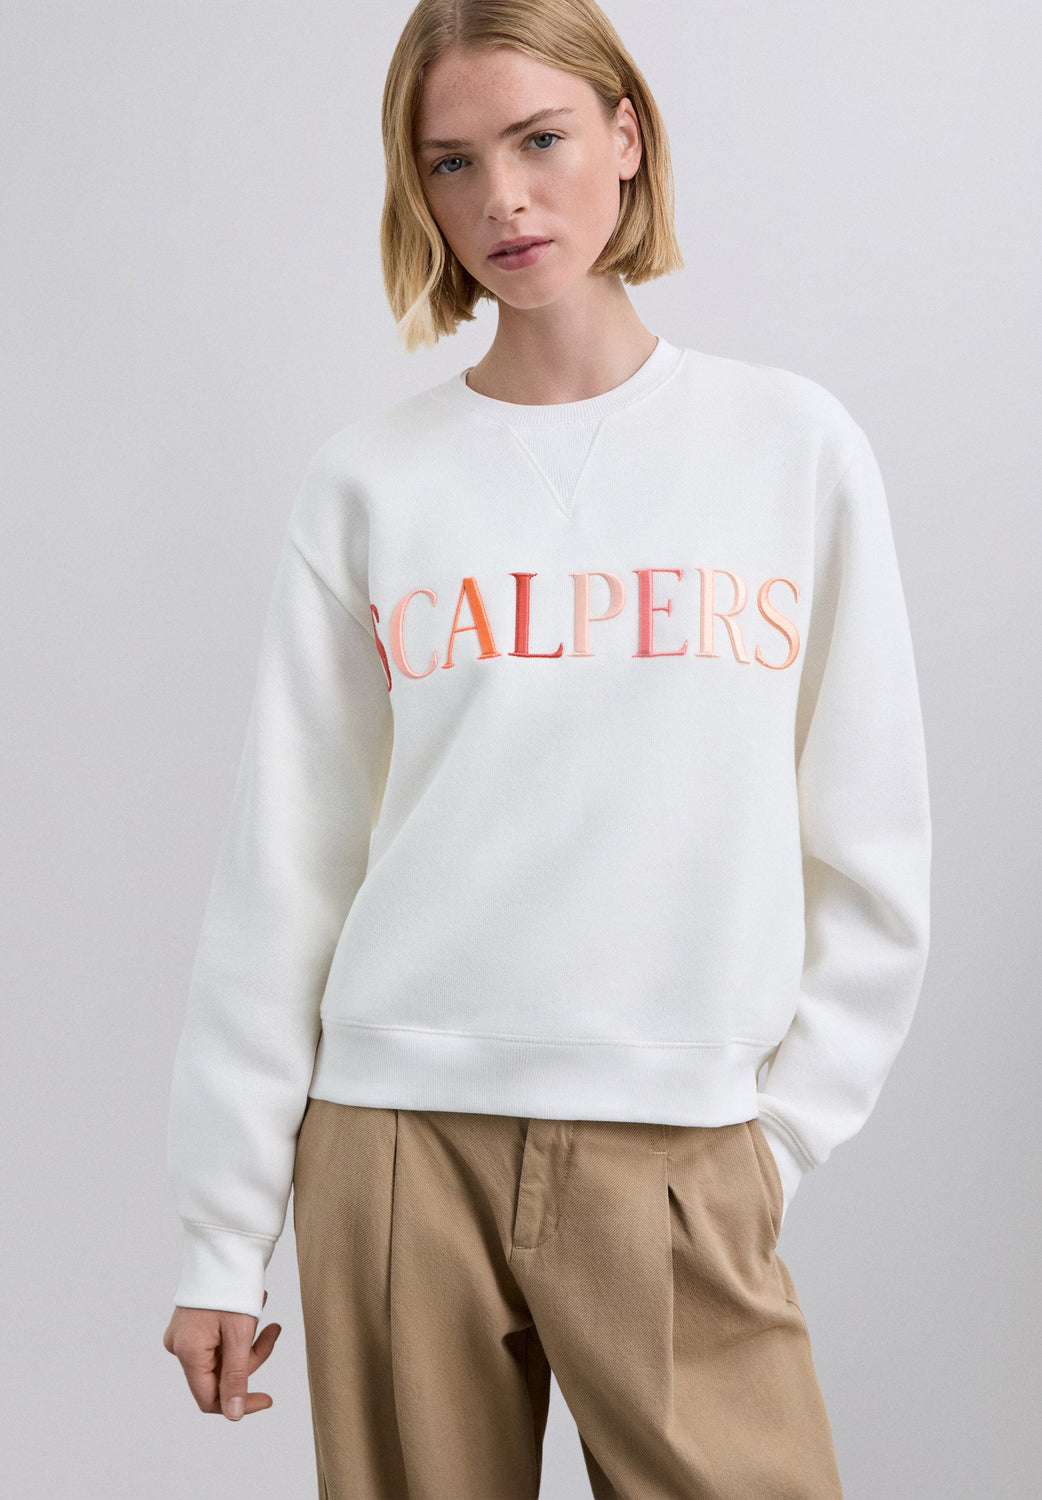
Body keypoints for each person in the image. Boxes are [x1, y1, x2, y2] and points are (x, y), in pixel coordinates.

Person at [162, 1, 931, 1496]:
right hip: (395, 1142)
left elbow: (868, 835)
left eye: (540, 140)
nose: (502, 199)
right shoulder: (370, 483)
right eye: (452, 163)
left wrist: (774, 1141)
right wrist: (219, 1233)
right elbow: (286, 868)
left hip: (680, 1139)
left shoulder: (790, 447)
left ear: (625, 135)